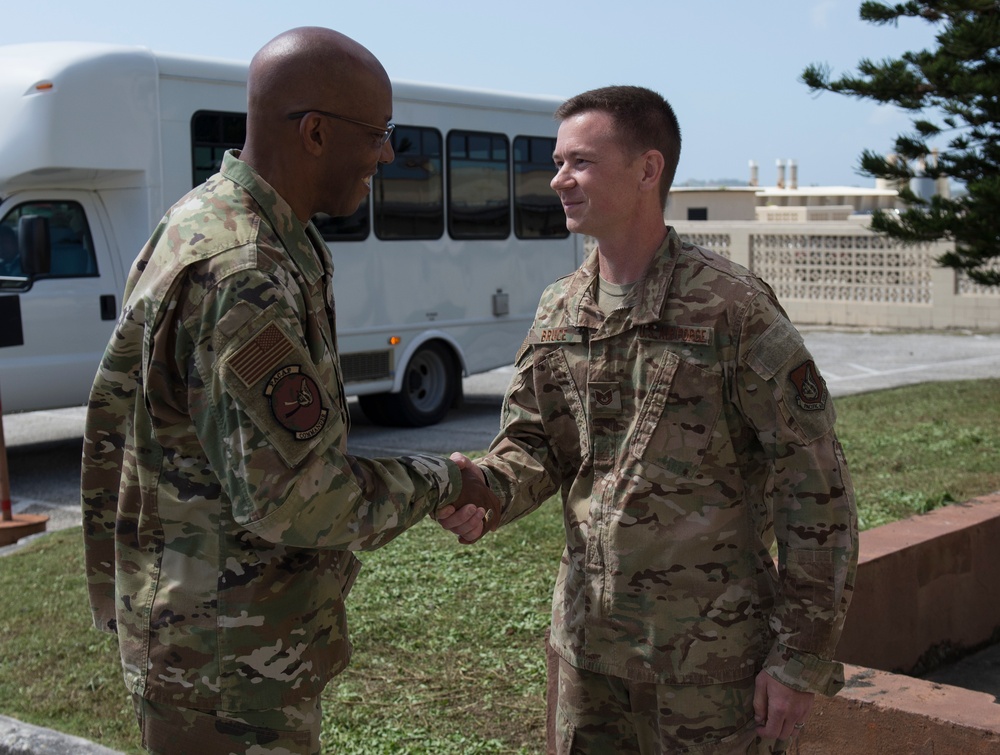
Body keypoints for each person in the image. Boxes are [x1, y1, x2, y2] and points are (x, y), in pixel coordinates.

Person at [80, 27, 498, 755]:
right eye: (377, 134)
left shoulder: (215, 222)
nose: (387, 154)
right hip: (225, 672)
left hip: (214, 648)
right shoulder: (244, 268)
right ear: (314, 133)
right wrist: (441, 478)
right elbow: (301, 502)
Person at [437, 85, 858, 754]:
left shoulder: (731, 308)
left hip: (708, 668)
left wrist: (800, 657)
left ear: (647, 169)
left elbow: (816, 489)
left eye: (581, 161)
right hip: (588, 656)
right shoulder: (559, 309)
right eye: (558, 161)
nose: (559, 179)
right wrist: (486, 491)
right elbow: (535, 443)